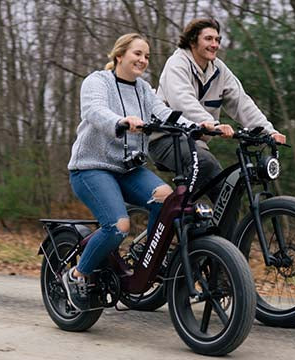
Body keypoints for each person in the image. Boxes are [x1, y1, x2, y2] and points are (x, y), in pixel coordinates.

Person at [64, 33, 205, 311]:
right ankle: (77, 274)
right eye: (137, 54)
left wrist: (199, 126)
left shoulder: (142, 89)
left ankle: (146, 255)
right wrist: (121, 121)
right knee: (119, 226)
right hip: (91, 168)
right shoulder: (97, 81)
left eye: (146, 56)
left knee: (167, 200)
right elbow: (94, 111)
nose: (142, 60)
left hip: (127, 169)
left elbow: (164, 114)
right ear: (119, 55)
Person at [150, 18, 286, 237]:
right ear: (193, 41)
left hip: (195, 143)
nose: (214, 44)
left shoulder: (219, 70)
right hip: (166, 139)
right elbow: (182, 101)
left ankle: (223, 260)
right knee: (205, 163)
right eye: (208, 39)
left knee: (227, 192)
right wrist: (211, 123)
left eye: (217, 39)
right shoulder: (177, 64)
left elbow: (242, 102)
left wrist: (268, 131)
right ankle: (180, 227)